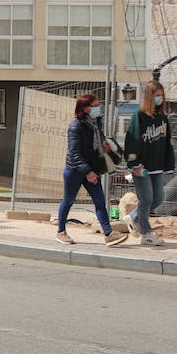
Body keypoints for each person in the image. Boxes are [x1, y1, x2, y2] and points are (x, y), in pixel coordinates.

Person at [56, 93, 129, 246]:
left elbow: (95, 144)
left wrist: (104, 145)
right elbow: (74, 153)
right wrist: (87, 172)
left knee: (100, 201)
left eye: (98, 105)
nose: (98, 108)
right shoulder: (76, 126)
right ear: (85, 108)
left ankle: (109, 234)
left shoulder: (96, 123)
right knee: (68, 200)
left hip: (92, 169)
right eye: (94, 106)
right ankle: (61, 232)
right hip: (75, 170)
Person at [124, 80, 175, 247]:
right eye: (156, 96)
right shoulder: (138, 116)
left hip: (157, 166)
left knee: (158, 197)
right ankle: (146, 234)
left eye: (161, 96)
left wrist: (168, 164)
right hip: (142, 167)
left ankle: (134, 217)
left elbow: (167, 142)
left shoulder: (163, 117)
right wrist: (134, 164)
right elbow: (131, 140)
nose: (159, 99)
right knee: (146, 199)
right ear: (149, 96)